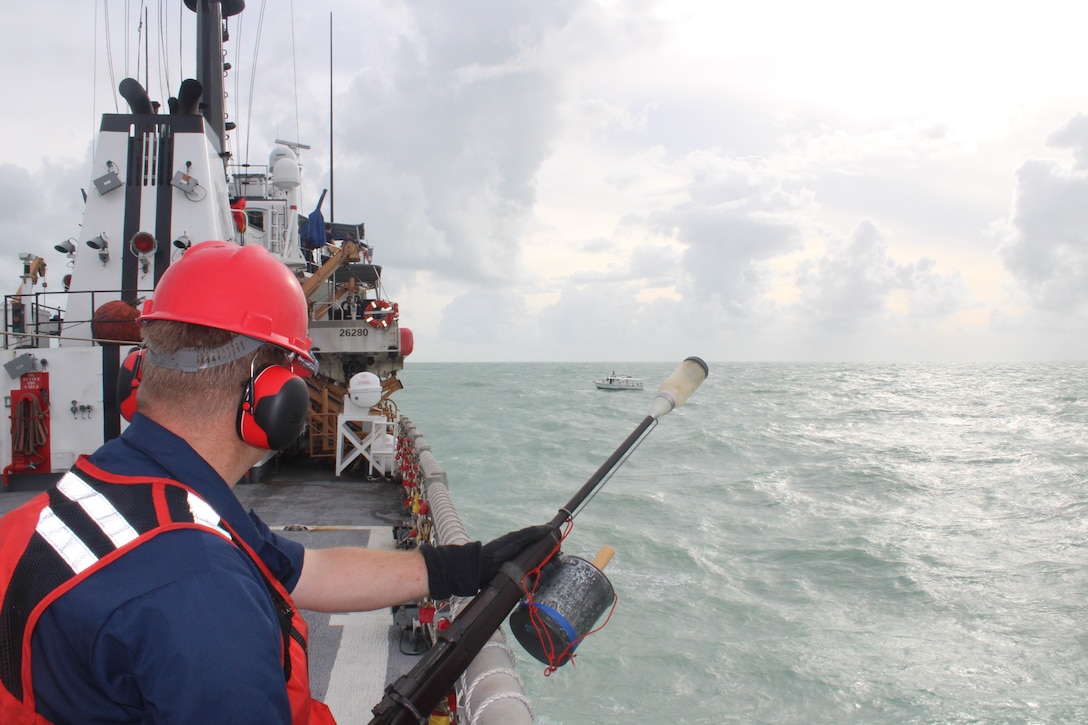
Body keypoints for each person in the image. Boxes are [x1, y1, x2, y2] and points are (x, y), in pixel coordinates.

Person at [0, 241, 549, 724]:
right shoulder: (201, 592)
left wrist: (467, 566)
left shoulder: (113, 493)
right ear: (272, 399)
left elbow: (308, 571)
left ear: (138, 372)